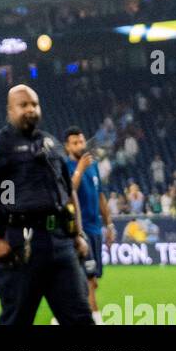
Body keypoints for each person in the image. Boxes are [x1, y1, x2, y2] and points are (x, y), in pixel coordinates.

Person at [0, 85, 93, 326]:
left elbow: (68, 191)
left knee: (80, 318)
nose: (30, 110)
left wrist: (77, 234)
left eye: (34, 104)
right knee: (16, 320)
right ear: (9, 110)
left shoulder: (51, 143)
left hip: (60, 243)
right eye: (23, 105)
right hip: (20, 244)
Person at [63, 129, 113, 323]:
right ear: (67, 146)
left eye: (81, 141)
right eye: (74, 143)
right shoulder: (65, 167)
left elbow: (100, 196)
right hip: (78, 232)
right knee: (89, 281)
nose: (79, 146)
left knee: (92, 281)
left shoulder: (93, 167)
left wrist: (109, 225)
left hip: (95, 230)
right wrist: (80, 169)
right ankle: (95, 320)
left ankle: (60, 318)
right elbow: (68, 191)